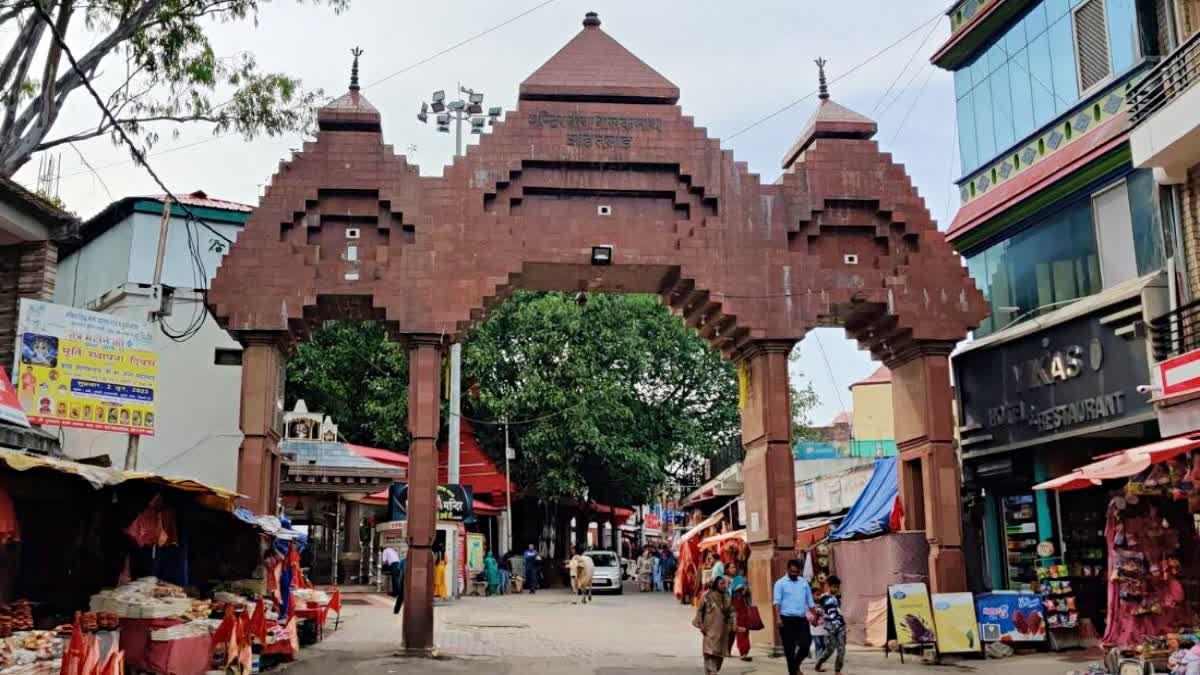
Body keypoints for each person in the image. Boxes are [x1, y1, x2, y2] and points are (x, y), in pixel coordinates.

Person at [774, 559, 815, 675]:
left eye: (796, 572)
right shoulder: (780, 583)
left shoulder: (804, 583)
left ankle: (795, 666)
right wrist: (778, 618)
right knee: (789, 650)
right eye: (792, 571)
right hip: (786, 620)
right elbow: (777, 602)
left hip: (801, 619)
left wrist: (815, 616)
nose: (794, 574)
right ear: (787, 570)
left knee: (806, 645)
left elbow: (810, 602)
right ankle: (793, 672)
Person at [693, 575, 736, 674]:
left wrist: (734, 623)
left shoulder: (726, 596)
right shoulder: (707, 596)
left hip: (723, 630)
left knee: (720, 656)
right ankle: (713, 671)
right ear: (715, 584)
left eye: (724, 584)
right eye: (721, 583)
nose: (724, 586)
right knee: (710, 652)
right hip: (710, 629)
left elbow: (731, 610)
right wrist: (700, 624)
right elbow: (700, 611)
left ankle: (712, 670)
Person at [814, 575, 846, 673]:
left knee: (841, 649)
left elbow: (839, 610)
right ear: (828, 586)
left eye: (837, 587)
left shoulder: (839, 596)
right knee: (830, 650)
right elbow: (818, 609)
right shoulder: (824, 597)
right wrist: (820, 613)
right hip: (829, 627)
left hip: (841, 626)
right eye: (834, 587)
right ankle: (819, 663)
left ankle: (837, 670)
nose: (835, 589)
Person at [726, 562, 753, 662]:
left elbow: (747, 593)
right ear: (727, 569)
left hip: (742, 607)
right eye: (731, 567)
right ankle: (727, 650)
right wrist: (734, 588)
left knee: (743, 629)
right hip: (731, 608)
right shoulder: (724, 580)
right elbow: (725, 593)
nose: (733, 569)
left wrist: (745, 589)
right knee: (730, 630)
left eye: (734, 567)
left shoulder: (740, 579)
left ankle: (744, 652)